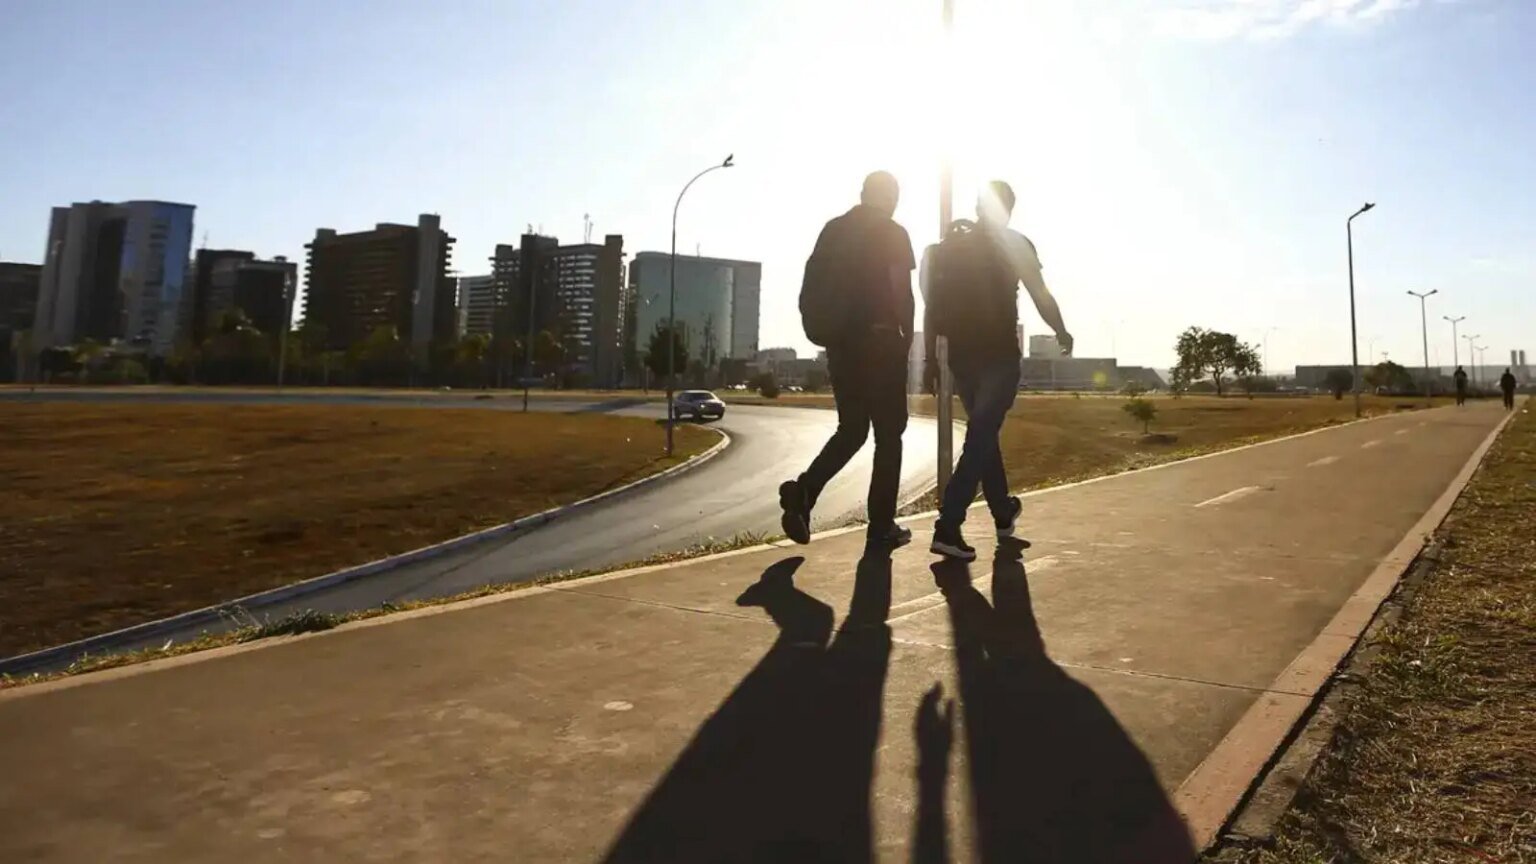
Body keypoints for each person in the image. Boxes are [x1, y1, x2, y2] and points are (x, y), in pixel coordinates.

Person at [927, 181, 1072, 561]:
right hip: (998, 356)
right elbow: (1040, 293)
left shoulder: (953, 247)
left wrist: (929, 358)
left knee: (983, 437)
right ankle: (948, 525)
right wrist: (1060, 329)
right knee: (980, 437)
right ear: (1008, 209)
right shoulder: (1014, 243)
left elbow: (932, 303)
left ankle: (1003, 514)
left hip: (961, 356)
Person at [780, 171, 916, 549]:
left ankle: (804, 493)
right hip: (880, 342)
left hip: (841, 345)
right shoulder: (892, 232)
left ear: (861, 194)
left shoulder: (833, 229)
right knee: (889, 435)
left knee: (853, 429)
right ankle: (882, 525)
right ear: (891, 197)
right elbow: (901, 292)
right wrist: (907, 343)